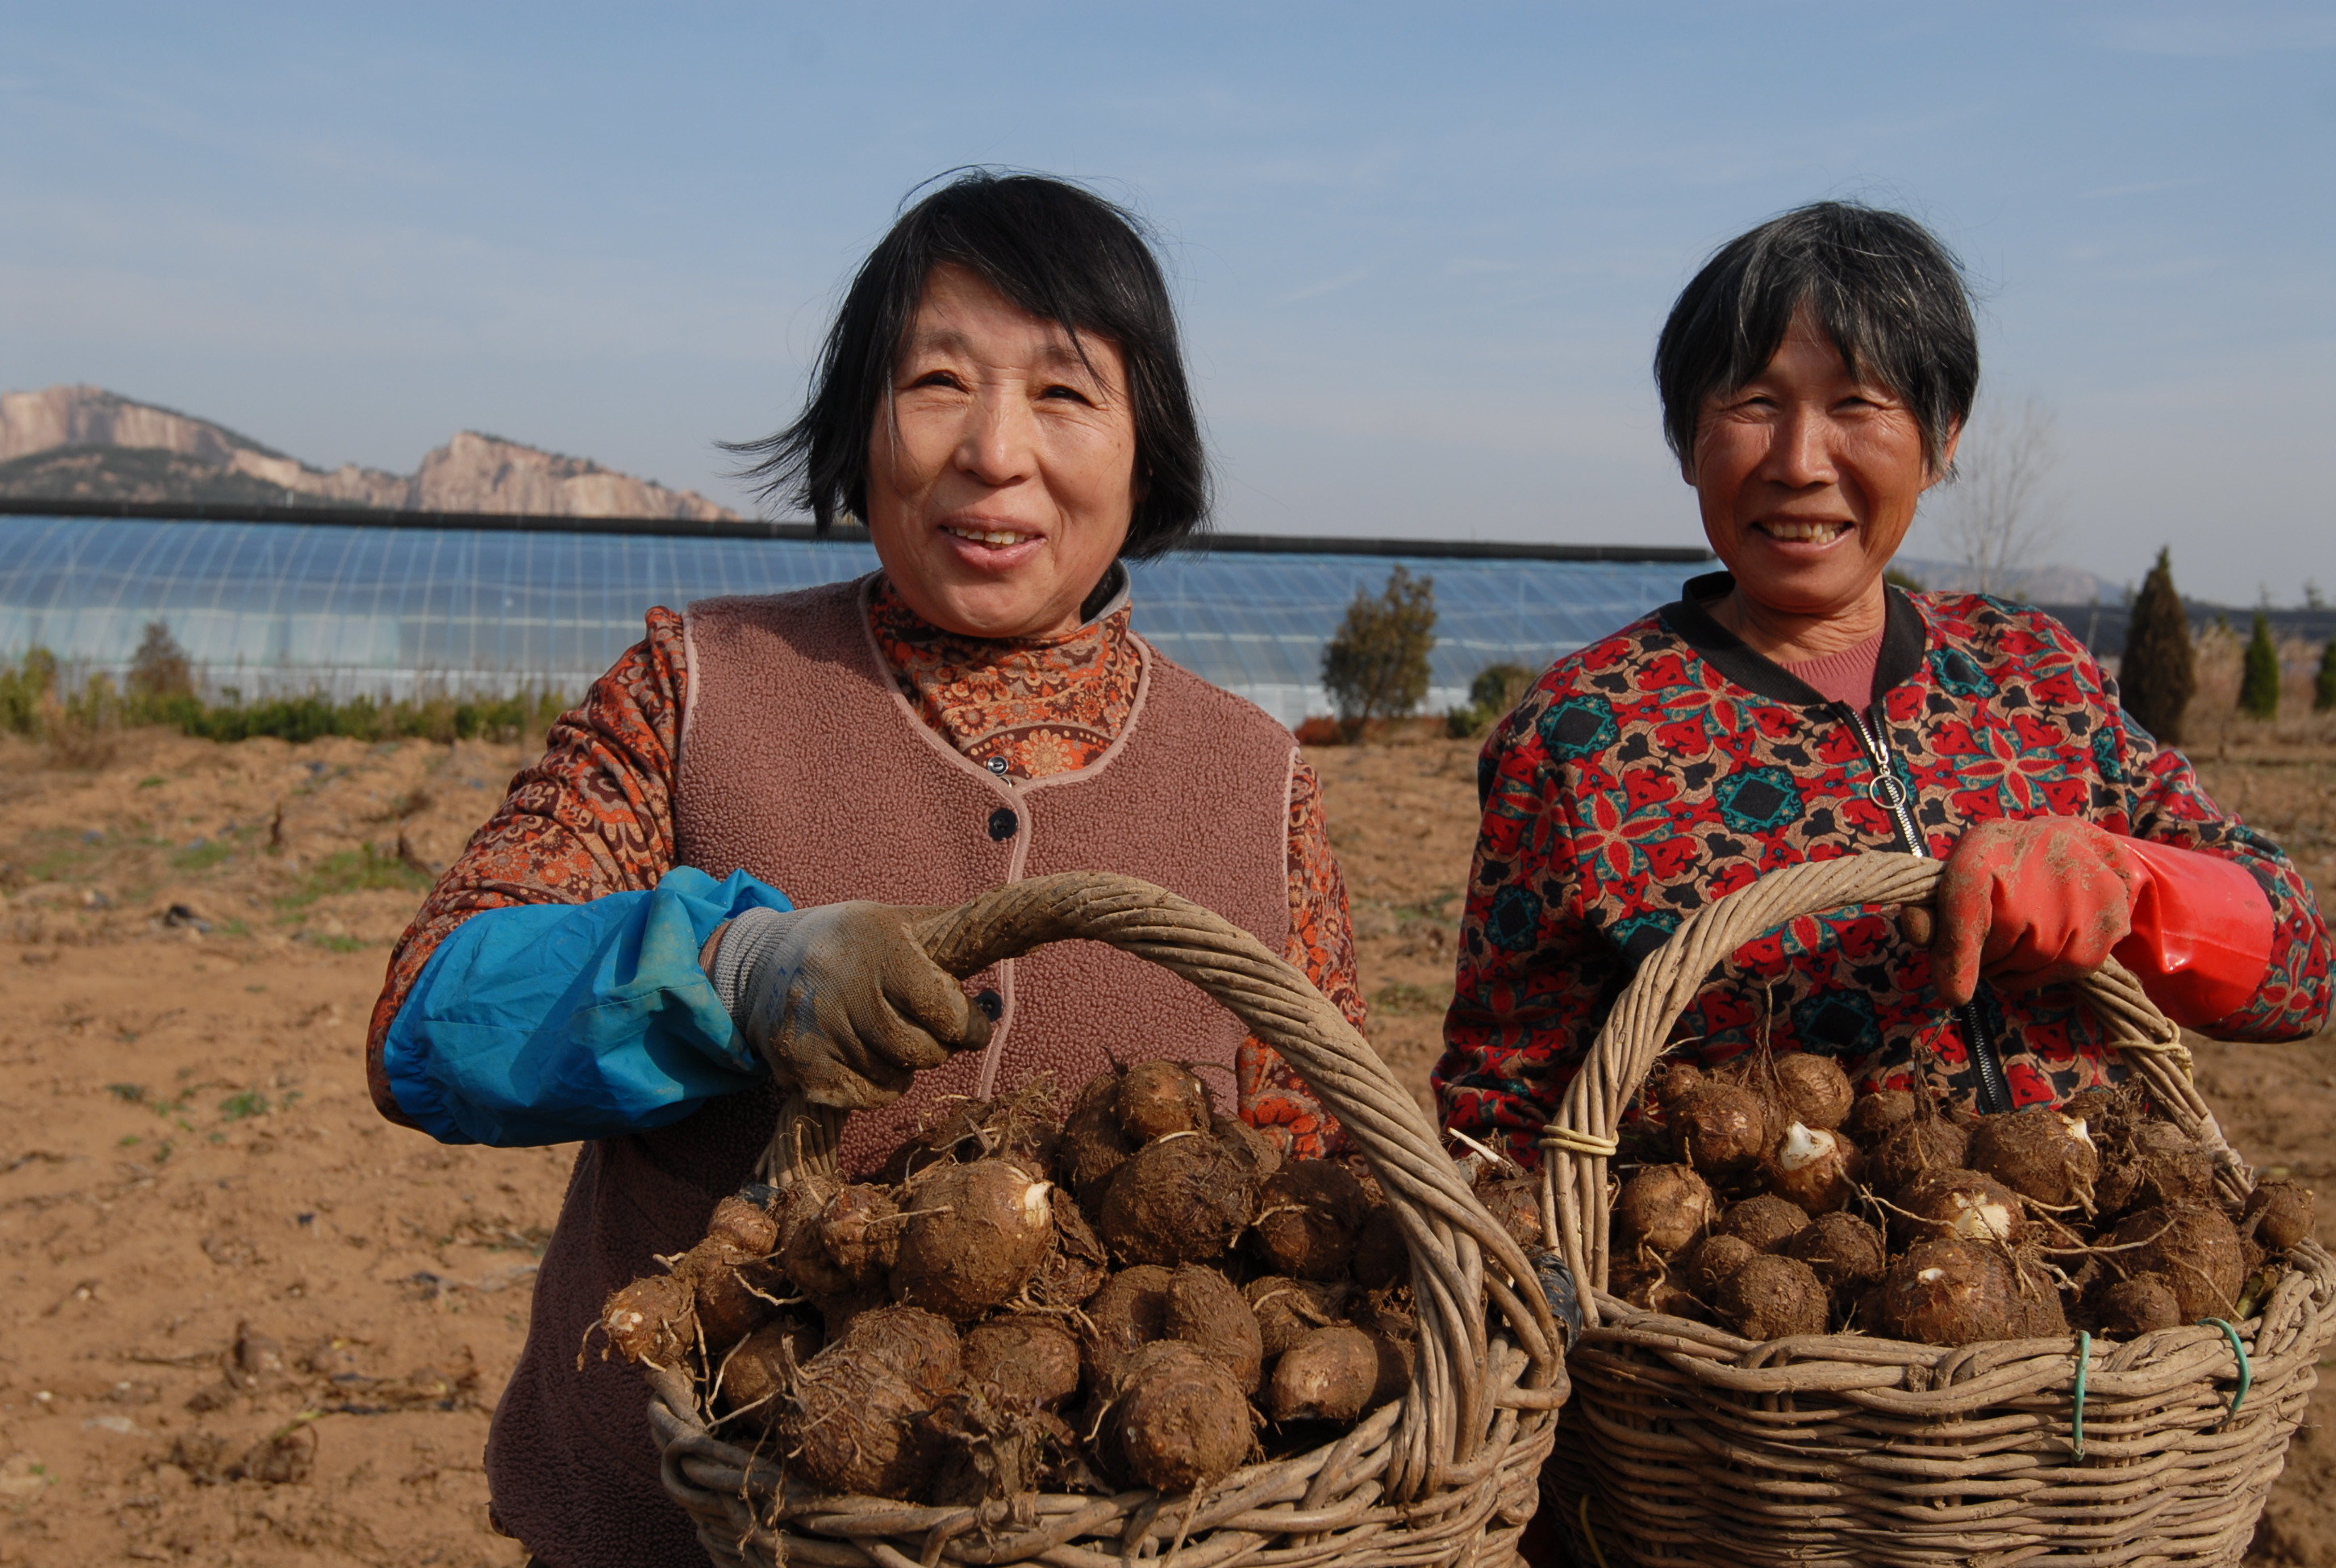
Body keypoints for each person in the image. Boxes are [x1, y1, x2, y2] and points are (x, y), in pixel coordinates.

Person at [365, 172, 1366, 1568]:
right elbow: (432, 1022)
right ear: (861, 424)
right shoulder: (695, 685)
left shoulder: (1258, 781)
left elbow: (1319, 1186)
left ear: (1150, 448)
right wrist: (726, 967)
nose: (995, 451)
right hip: (677, 1520)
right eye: (938, 381)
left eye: (1067, 393)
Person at [1433, 200, 2330, 1168]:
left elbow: (2299, 976)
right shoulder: (1581, 733)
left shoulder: (2032, 676)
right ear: (1687, 437)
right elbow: (1501, 1109)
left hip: (2097, 1263)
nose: (1799, 463)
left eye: (1857, 405)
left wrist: (2137, 889)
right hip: (1757, 1287)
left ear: (1942, 436)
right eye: (1753, 403)